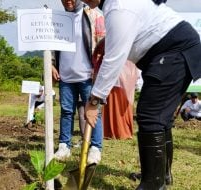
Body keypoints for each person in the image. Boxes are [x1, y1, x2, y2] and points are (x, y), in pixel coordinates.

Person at [80, 0, 201, 189]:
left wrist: (94, 100)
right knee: (161, 118)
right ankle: (161, 175)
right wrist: (106, 41)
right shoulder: (115, 6)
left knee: (150, 115)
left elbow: (114, 60)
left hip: (174, 50)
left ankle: (153, 183)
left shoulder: (119, 7)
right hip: (178, 48)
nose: (84, 1)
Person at [52, 0, 105, 164]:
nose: (68, 1)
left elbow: (103, 45)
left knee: (94, 112)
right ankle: (64, 146)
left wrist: (97, 68)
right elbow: (52, 44)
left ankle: (95, 148)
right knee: (66, 112)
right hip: (66, 75)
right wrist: (52, 64)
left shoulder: (94, 15)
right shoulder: (58, 19)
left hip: (87, 75)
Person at [92, 38, 138, 139]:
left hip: (119, 72)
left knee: (118, 102)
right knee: (115, 102)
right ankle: (114, 130)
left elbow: (98, 50)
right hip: (123, 72)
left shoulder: (114, 38)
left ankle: (115, 130)